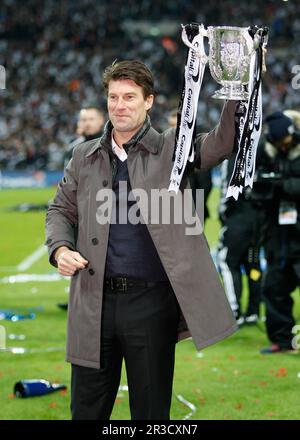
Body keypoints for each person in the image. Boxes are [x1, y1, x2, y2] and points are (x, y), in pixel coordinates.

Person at [45, 60, 238, 420]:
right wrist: (60, 249)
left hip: (151, 304)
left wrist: (236, 93)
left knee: (150, 415)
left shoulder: (171, 149)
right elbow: (60, 211)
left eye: (129, 97)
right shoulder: (82, 156)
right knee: (86, 412)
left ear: (148, 101)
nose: (120, 105)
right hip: (93, 301)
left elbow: (219, 145)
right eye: (113, 97)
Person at [251, 110, 300, 353]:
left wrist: (284, 184)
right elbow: (253, 188)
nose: (282, 145)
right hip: (276, 233)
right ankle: (282, 340)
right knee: (274, 287)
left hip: (297, 230)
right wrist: (268, 187)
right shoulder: (265, 150)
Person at [217, 156, 262, 326]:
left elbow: (226, 192)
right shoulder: (256, 149)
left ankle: (233, 311)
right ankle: (253, 311)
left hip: (237, 219)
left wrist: (224, 215)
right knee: (252, 263)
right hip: (257, 219)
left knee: (228, 262)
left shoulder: (232, 156)